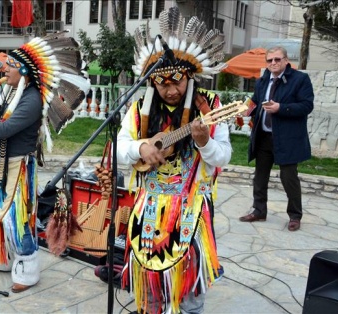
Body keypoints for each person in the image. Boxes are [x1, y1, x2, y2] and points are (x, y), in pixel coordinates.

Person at [116, 6, 231, 314]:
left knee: (191, 279)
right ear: (152, 81)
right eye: (162, 82)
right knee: (149, 273)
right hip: (149, 206)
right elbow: (120, 145)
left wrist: (204, 141)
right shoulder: (138, 107)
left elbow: (225, 155)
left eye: (177, 81)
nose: (171, 89)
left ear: (189, 76)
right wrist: (140, 149)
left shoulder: (212, 107)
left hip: (191, 205)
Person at [0, 33, 88, 293]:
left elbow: (4, 129)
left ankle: (27, 272)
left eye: (11, 65)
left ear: (24, 70)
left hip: (18, 166)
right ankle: (0, 259)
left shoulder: (32, 99)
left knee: (17, 218)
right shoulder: (9, 91)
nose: (4, 68)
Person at [239, 46, 314, 232]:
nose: (273, 63)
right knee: (260, 176)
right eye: (270, 60)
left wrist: (281, 108)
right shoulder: (262, 80)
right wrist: (243, 110)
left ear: (286, 60)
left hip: (287, 139)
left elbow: (306, 105)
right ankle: (259, 210)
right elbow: (255, 101)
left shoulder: (300, 79)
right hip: (264, 136)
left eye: (277, 59)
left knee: (289, 178)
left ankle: (295, 216)